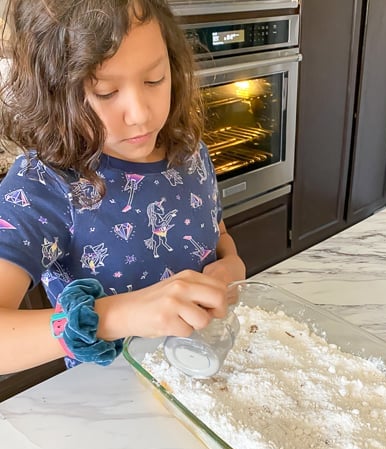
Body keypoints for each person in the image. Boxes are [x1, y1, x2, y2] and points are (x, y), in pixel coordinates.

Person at [0, 0, 246, 375]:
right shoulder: (44, 185)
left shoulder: (189, 151)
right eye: (105, 92)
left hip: (204, 374)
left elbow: (216, 233)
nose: (141, 114)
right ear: (54, 93)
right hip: (115, 408)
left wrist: (231, 264)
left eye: (154, 80)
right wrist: (117, 316)